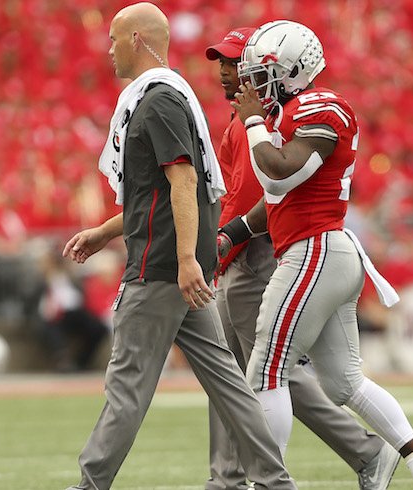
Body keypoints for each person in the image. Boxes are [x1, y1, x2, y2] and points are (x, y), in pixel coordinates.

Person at [62, 4, 294, 489]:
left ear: (139, 40)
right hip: (180, 267)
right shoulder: (170, 97)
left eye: (114, 38)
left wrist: (187, 259)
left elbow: (183, 180)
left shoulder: (156, 101)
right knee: (229, 386)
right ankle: (275, 483)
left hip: (161, 268)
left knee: (126, 388)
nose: (109, 49)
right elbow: (158, 193)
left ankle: (89, 485)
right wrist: (105, 232)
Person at [229, 20, 413, 489]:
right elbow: (275, 203)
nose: (253, 85)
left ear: (292, 71)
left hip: (314, 252)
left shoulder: (319, 107)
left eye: (262, 74)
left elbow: (278, 177)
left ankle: (265, 483)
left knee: (267, 370)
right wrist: (231, 235)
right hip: (325, 251)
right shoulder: (292, 113)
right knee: (343, 382)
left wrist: (252, 122)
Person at [203, 28, 399, 490]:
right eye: (224, 64)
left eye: (234, 64)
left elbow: (265, 195)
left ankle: (363, 451)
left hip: (259, 255)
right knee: (231, 373)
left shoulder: (265, 122)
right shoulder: (241, 121)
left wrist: (226, 240)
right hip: (239, 254)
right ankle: (227, 476)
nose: (227, 73)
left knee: (268, 371)